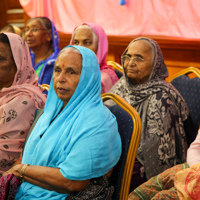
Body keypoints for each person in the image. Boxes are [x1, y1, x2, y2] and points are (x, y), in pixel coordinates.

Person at [3, 45, 122, 199]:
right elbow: (27, 157)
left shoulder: (97, 121)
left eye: (71, 72)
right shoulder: (50, 111)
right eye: (57, 70)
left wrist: (22, 170)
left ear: (89, 78)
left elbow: (72, 181)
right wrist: (20, 171)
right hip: (27, 191)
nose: (60, 79)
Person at [105, 37, 193, 190]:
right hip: (114, 153)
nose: (131, 62)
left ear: (155, 64)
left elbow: (157, 160)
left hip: (141, 167)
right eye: (128, 56)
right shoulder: (122, 86)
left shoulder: (161, 99)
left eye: (139, 58)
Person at [0, 32, 46, 175]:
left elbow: (5, 157)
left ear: (19, 64)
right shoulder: (4, 92)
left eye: (1, 59)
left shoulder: (24, 101)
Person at [128, 129, 200, 200]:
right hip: (196, 166)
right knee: (145, 190)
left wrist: (188, 176)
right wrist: (193, 170)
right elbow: (195, 148)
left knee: (162, 197)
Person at [70, 23, 119, 93]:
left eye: (86, 43)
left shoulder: (103, 78)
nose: (79, 48)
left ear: (99, 47)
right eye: (76, 42)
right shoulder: (67, 71)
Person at [23, 17, 60, 86]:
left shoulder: (55, 62)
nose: (28, 34)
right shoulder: (26, 60)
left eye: (35, 29)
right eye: (27, 30)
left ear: (49, 35)